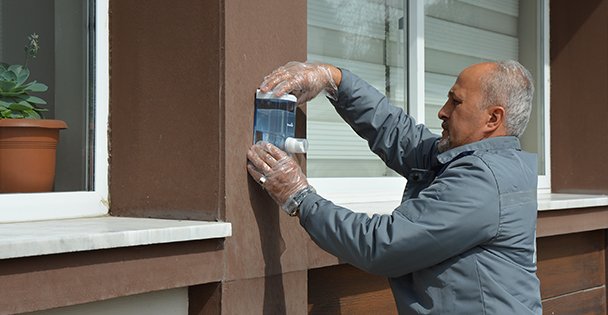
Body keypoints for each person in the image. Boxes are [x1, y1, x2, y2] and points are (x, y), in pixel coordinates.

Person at [246, 60, 542, 314]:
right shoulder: (485, 161)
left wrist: (300, 197)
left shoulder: (483, 181)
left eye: (456, 101)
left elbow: (384, 244)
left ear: (493, 118)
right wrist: (334, 79)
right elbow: (401, 135)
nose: (443, 111)